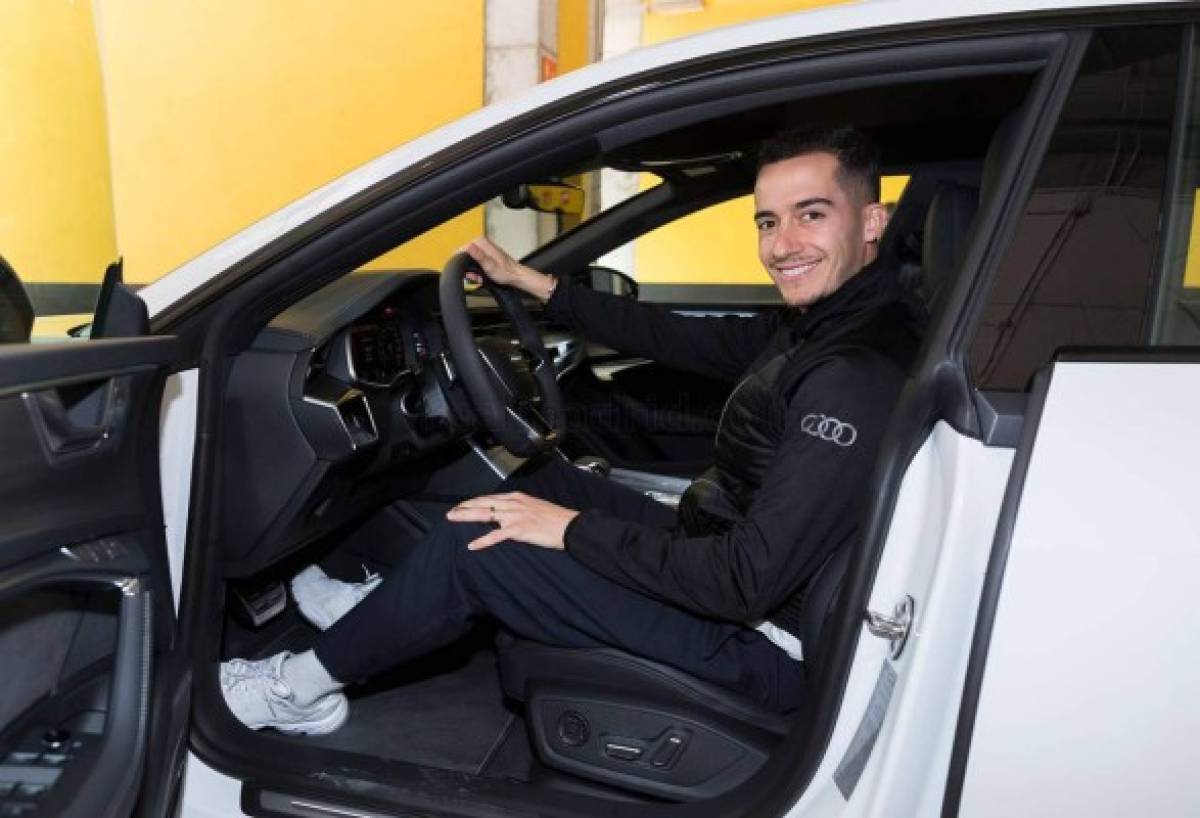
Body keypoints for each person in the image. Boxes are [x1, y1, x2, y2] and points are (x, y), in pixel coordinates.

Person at [219, 124, 925, 735]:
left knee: (481, 547)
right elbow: (677, 336)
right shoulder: (829, 325)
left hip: (762, 641)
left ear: (872, 222)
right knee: (535, 479)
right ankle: (384, 616)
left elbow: (740, 583)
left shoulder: (852, 375)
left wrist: (568, 530)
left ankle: (297, 693)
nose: (782, 245)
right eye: (768, 222)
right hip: (730, 561)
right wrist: (537, 285)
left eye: (811, 215)